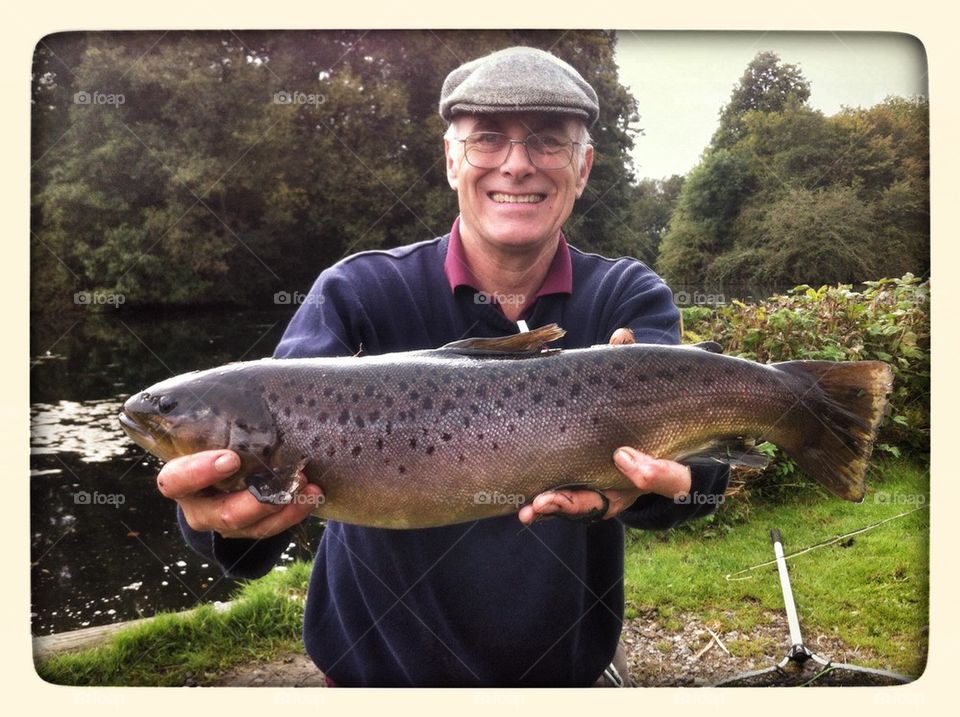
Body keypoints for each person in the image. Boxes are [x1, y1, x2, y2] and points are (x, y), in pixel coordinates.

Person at [159, 46, 730, 687]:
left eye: (548, 142)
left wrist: (665, 487)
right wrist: (220, 518)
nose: (517, 165)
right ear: (452, 159)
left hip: (563, 674)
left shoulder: (628, 296)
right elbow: (269, 469)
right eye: (488, 139)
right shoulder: (355, 292)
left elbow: (700, 478)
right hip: (374, 674)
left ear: (584, 166)